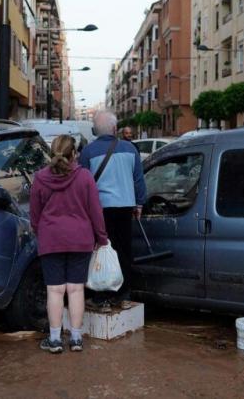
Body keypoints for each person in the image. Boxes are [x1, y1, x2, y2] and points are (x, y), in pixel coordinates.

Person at [30, 135, 109, 354]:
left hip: (51, 239)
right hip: (80, 239)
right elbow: (96, 211)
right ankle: (76, 339)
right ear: (74, 154)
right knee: (75, 290)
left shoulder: (40, 178)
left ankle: (55, 340)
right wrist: (101, 238)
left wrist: (41, 231)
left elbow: (34, 214)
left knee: (54, 290)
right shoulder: (84, 177)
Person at [79, 111, 146, 308]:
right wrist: (139, 203)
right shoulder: (130, 149)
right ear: (115, 129)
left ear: (95, 131)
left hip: (100, 209)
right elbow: (138, 180)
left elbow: (82, 183)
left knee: (101, 250)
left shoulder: (88, 152)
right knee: (124, 249)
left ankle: (102, 294)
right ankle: (124, 292)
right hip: (125, 206)